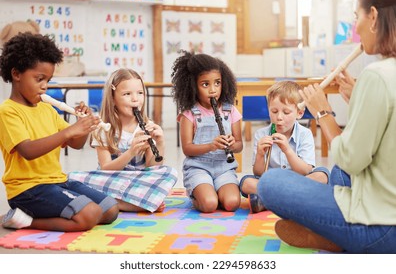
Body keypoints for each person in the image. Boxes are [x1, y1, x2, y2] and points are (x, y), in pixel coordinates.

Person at [257, 0, 396, 253]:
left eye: (357, 17)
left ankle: (339, 238)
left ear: (374, 17)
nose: (356, 27)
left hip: (382, 225)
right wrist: (359, 99)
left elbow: (352, 159)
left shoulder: (378, 75)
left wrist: (323, 114)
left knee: (270, 183)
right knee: (338, 177)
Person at [0, 32, 119, 231]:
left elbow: (76, 144)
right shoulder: (8, 111)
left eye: (48, 79)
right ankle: (23, 219)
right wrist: (68, 131)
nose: (45, 86)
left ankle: (69, 213)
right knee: (89, 215)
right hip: (28, 190)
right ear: (16, 74)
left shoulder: (47, 109)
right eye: (39, 79)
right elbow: (28, 151)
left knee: (110, 209)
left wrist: (82, 125)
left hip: (58, 181)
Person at [68, 68, 177, 213]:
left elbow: (153, 167)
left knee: (170, 172)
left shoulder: (146, 125)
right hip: (112, 179)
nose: (135, 99)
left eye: (140, 93)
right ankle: (131, 203)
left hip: (137, 182)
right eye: (127, 94)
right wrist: (131, 152)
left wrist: (161, 143)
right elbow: (106, 169)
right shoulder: (103, 128)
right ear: (113, 99)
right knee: (72, 178)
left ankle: (113, 201)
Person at [239, 81, 329, 213]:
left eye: (286, 112)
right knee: (246, 182)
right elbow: (258, 173)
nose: (279, 117)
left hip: (298, 180)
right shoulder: (261, 134)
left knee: (323, 175)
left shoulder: (305, 134)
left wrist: (287, 150)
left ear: (299, 113)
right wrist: (259, 155)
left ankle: (269, 200)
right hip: (271, 182)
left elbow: (305, 171)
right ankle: (294, 199)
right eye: (274, 111)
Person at [171, 50, 243, 213]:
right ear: (193, 86)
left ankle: (215, 191)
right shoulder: (189, 114)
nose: (213, 90)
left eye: (217, 83)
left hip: (224, 167)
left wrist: (233, 145)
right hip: (198, 167)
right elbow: (187, 149)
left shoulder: (230, 110)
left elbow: (239, 145)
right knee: (209, 205)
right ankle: (198, 195)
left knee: (232, 203)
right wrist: (211, 146)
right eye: (205, 84)